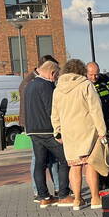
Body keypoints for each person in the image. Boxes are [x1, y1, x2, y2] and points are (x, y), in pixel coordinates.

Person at [51, 58, 108, 211]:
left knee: (74, 166)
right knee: (90, 164)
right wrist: (102, 132)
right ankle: (95, 198)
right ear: (81, 71)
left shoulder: (57, 89)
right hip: (87, 130)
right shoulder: (86, 85)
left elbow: (54, 114)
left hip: (69, 133)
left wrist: (57, 132)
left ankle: (77, 199)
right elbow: (95, 110)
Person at [22, 60, 72, 206]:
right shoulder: (47, 86)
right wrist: (59, 130)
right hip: (48, 130)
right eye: (56, 76)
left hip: (32, 130)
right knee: (64, 160)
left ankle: (44, 197)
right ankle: (63, 194)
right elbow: (52, 110)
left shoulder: (29, 85)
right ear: (52, 73)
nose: (55, 79)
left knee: (40, 163)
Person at [19, 54, 58, 200]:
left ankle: (43, 193)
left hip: (33, 126)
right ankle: (50, 190)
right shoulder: (35, 82)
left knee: (41, 160)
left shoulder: (29, 82)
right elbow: (48, 107)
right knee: (44, 159)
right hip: (41, 126)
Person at [87, 62, 109, 135]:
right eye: (91, 75)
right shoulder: (84, 83)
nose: (94, 77)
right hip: (93, 123)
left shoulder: (104, 78)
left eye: (96, 74)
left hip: (107, 119)